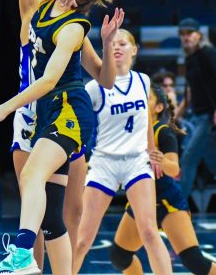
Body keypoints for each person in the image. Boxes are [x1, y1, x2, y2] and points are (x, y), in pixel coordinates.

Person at [0, 0, 118, 275]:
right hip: (46, 114)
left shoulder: (73, 27)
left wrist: (6, 107)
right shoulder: (41, 8)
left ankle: (23, 254)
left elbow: (60, 80)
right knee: (52, 215)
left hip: (67, 110)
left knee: (30, 176)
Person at [5, 0, 123, 269]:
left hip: (60, 107)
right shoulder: (34, 10)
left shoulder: (74, 28)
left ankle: (28, 262)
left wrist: (106, 46)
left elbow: (104, 80)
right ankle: (29, 264)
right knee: (40, 211)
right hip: (30, 111)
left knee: (61, 212)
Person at [74, 29, 172, 275]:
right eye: (112, 44)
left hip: (136, 162)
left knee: (149, 231)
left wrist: (151, 150)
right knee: (84, 238)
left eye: (123, 44)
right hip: (104, 163)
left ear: (134, 49)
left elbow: (146, 120)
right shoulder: (94, 88)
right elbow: (79, 124)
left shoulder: (143, 81)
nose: (117, 47)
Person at [110, 83, 216, 275]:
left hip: (167, 202)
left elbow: (174, 168)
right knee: (119, 256)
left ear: (158, 108)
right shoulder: (129, 132)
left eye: (146, 98)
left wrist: (159, 159)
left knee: (195, 262)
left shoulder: (162, 131)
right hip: (140, 202)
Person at [176, 17, 216, 199]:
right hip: (198, 116)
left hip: (209, 117)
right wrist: (175, 115)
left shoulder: (208, 53)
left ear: (198, 35)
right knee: (212, 163)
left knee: (188, 160)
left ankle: (176, 208)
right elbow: (190, 92)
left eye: (189, 33)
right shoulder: (190, 59)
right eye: (182, 34)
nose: (186, 37)